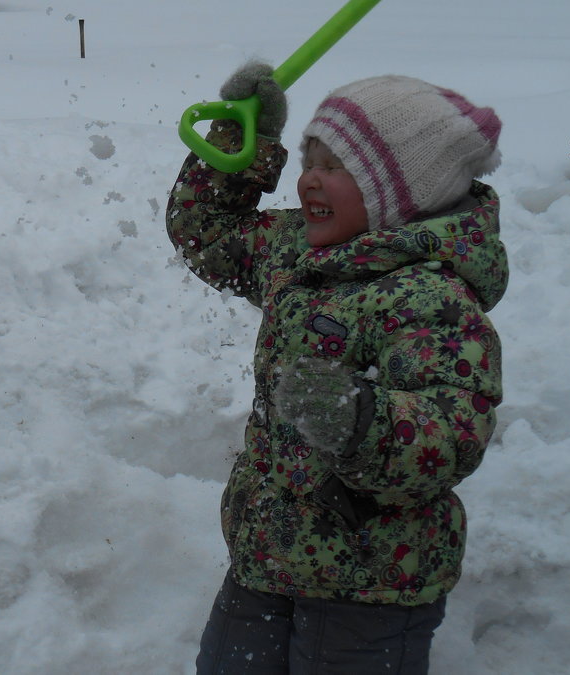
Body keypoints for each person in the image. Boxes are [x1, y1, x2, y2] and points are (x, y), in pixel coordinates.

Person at [166, 63, 507, 674]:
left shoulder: (429, 298)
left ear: (404, 194)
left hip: (370, 583)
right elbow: (207, 236)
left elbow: (451, 431)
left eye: (336, 167)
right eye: (307, 162)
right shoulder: (296, 248)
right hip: (266, 552)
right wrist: (247, 144)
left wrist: (358, 421)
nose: (308, 183)